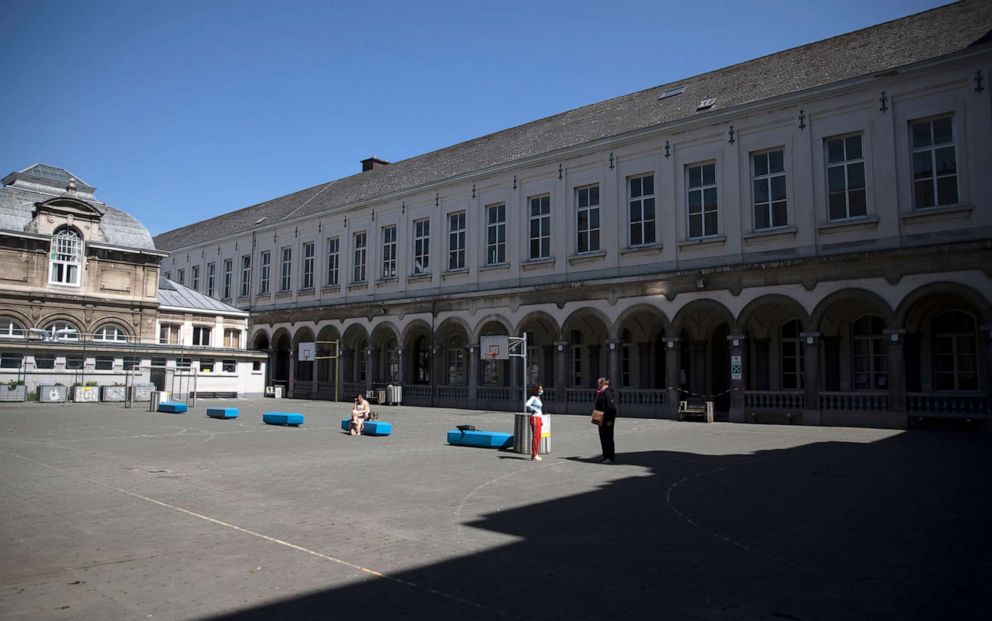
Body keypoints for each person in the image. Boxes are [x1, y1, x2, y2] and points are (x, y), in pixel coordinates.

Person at [594, 377, 619, 463]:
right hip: (601, 417)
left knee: (608, 437)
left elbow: (612, 408)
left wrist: (610, 420)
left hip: (607, 418)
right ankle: (605, 455)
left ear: (602, 384)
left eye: (598, 383)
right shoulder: (600, 392)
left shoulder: (607, 392)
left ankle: (610, 457)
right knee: (603, 437)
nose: (597, 385)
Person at [524, 384, 545, 461]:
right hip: (535, 418)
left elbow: (540, 410)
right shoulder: (533, 397)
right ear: (536, 390)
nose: (541, 390)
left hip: (538, 418)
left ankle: (535, 453)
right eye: (540, 389)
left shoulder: (538, 398)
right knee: (536, 437)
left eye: (541, 389)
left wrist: (541, 419)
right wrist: (534, 409)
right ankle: (535, 454)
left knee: (538, 436)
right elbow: (527, 404)